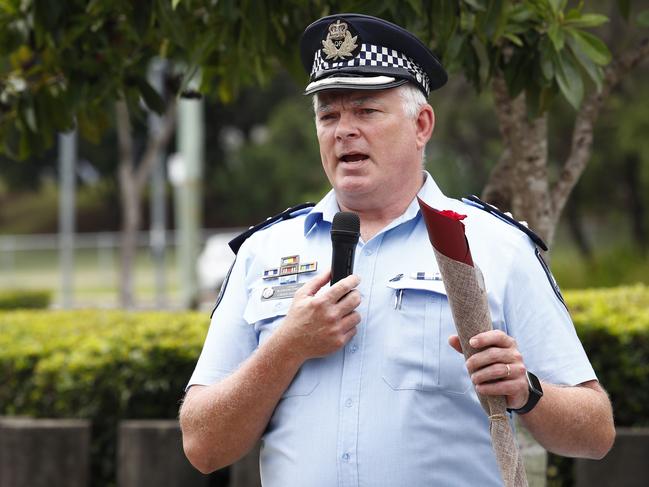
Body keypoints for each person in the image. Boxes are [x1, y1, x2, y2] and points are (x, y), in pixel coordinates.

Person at [179, 13, 615, 486]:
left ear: (421, 124)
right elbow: (202, 446)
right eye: (329, 115)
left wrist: (525, 391)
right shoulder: (263, 253)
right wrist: (287, 347)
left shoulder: (495, 246)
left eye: (366, 111)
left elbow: (595, 433)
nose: (343, 130)